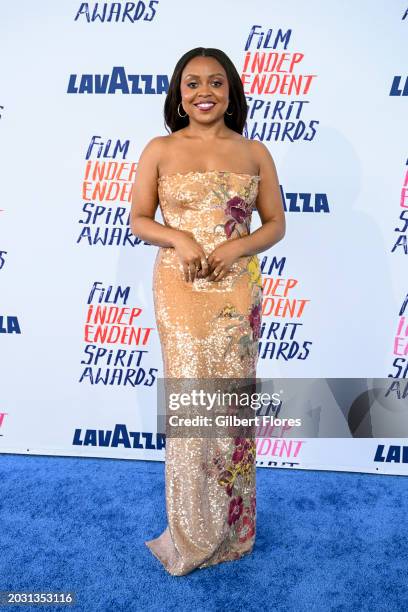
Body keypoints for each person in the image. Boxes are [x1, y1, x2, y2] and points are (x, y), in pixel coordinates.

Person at [130, 47, 285, 576]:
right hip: (179, 285)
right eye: (192, 83)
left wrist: (234, 248)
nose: (204, 92)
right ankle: (192, 531)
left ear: (231, 92)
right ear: (178, 93)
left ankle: (232, 530)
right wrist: (179, 238)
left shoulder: (255, 152)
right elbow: (139, 220)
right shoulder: (159, 149)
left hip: (236, 289)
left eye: (215, 83)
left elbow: (274, 225)